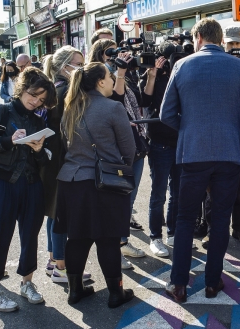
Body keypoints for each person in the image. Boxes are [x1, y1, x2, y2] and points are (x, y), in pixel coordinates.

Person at [160, 18, 240, 302]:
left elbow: (167, 114)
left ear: (199, 37)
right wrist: (230, 127)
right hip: (230, 153)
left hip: (192, 153)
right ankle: (213, 282)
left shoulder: (182, 65)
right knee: (221, 219)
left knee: (184, 217)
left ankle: (178, 284)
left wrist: (192, 128)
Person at [0, 67, 57, 312]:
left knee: (30, 236)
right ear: (22, 88)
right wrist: (9, 140)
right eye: (33, 94)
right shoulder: (1, 111)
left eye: (41, 99)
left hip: (31, 186)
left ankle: (27, 283)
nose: (35, 101)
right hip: (2, 184)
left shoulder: (39, 120)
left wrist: (40, 150)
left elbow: (43, 161)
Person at [56, 62, 135, 308]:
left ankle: (75, 290)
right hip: (104, 183)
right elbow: (128, 149)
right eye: (110, 77)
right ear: (101, 81)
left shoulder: (71, 106)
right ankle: (115, 293)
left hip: (71, 181)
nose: (113, 81)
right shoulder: (113, 108)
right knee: (108, 238)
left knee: (77, 238)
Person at [88, 39, 147, 268]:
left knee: (127, 200)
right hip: (115, 149)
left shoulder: (123, 74)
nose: (121, 55)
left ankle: (122, 243)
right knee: (116, 202)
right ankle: (116, 250)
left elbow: (137, 101)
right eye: (114, 52)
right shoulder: (97, 80)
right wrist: (119, 73)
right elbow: (116, 100)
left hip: (134, 143)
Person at [201, 26, 240, 248]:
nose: (234, 47)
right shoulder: (217, 62)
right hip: (219, 132)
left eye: (238, 44)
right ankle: (212, 230)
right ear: (223, 42)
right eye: (231, 43)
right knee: (211, 188)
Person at [41, 45, 91, 283]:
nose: (81, 69)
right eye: (78, 64)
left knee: (54, 213)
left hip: (52, 161)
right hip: (62, 160)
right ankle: (62, 266)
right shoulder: (65, 92)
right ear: (64, 67)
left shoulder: (55, 88)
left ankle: (54, 261)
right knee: (61, 215)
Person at [139, 42, 181, 257]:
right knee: (158, 193)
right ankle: (155, 236)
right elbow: (145, 100)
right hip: (160, 142)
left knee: (178, 192)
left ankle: (173, 232)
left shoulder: (183, 72)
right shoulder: (153, 76)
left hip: (181, 140)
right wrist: (152, 74)